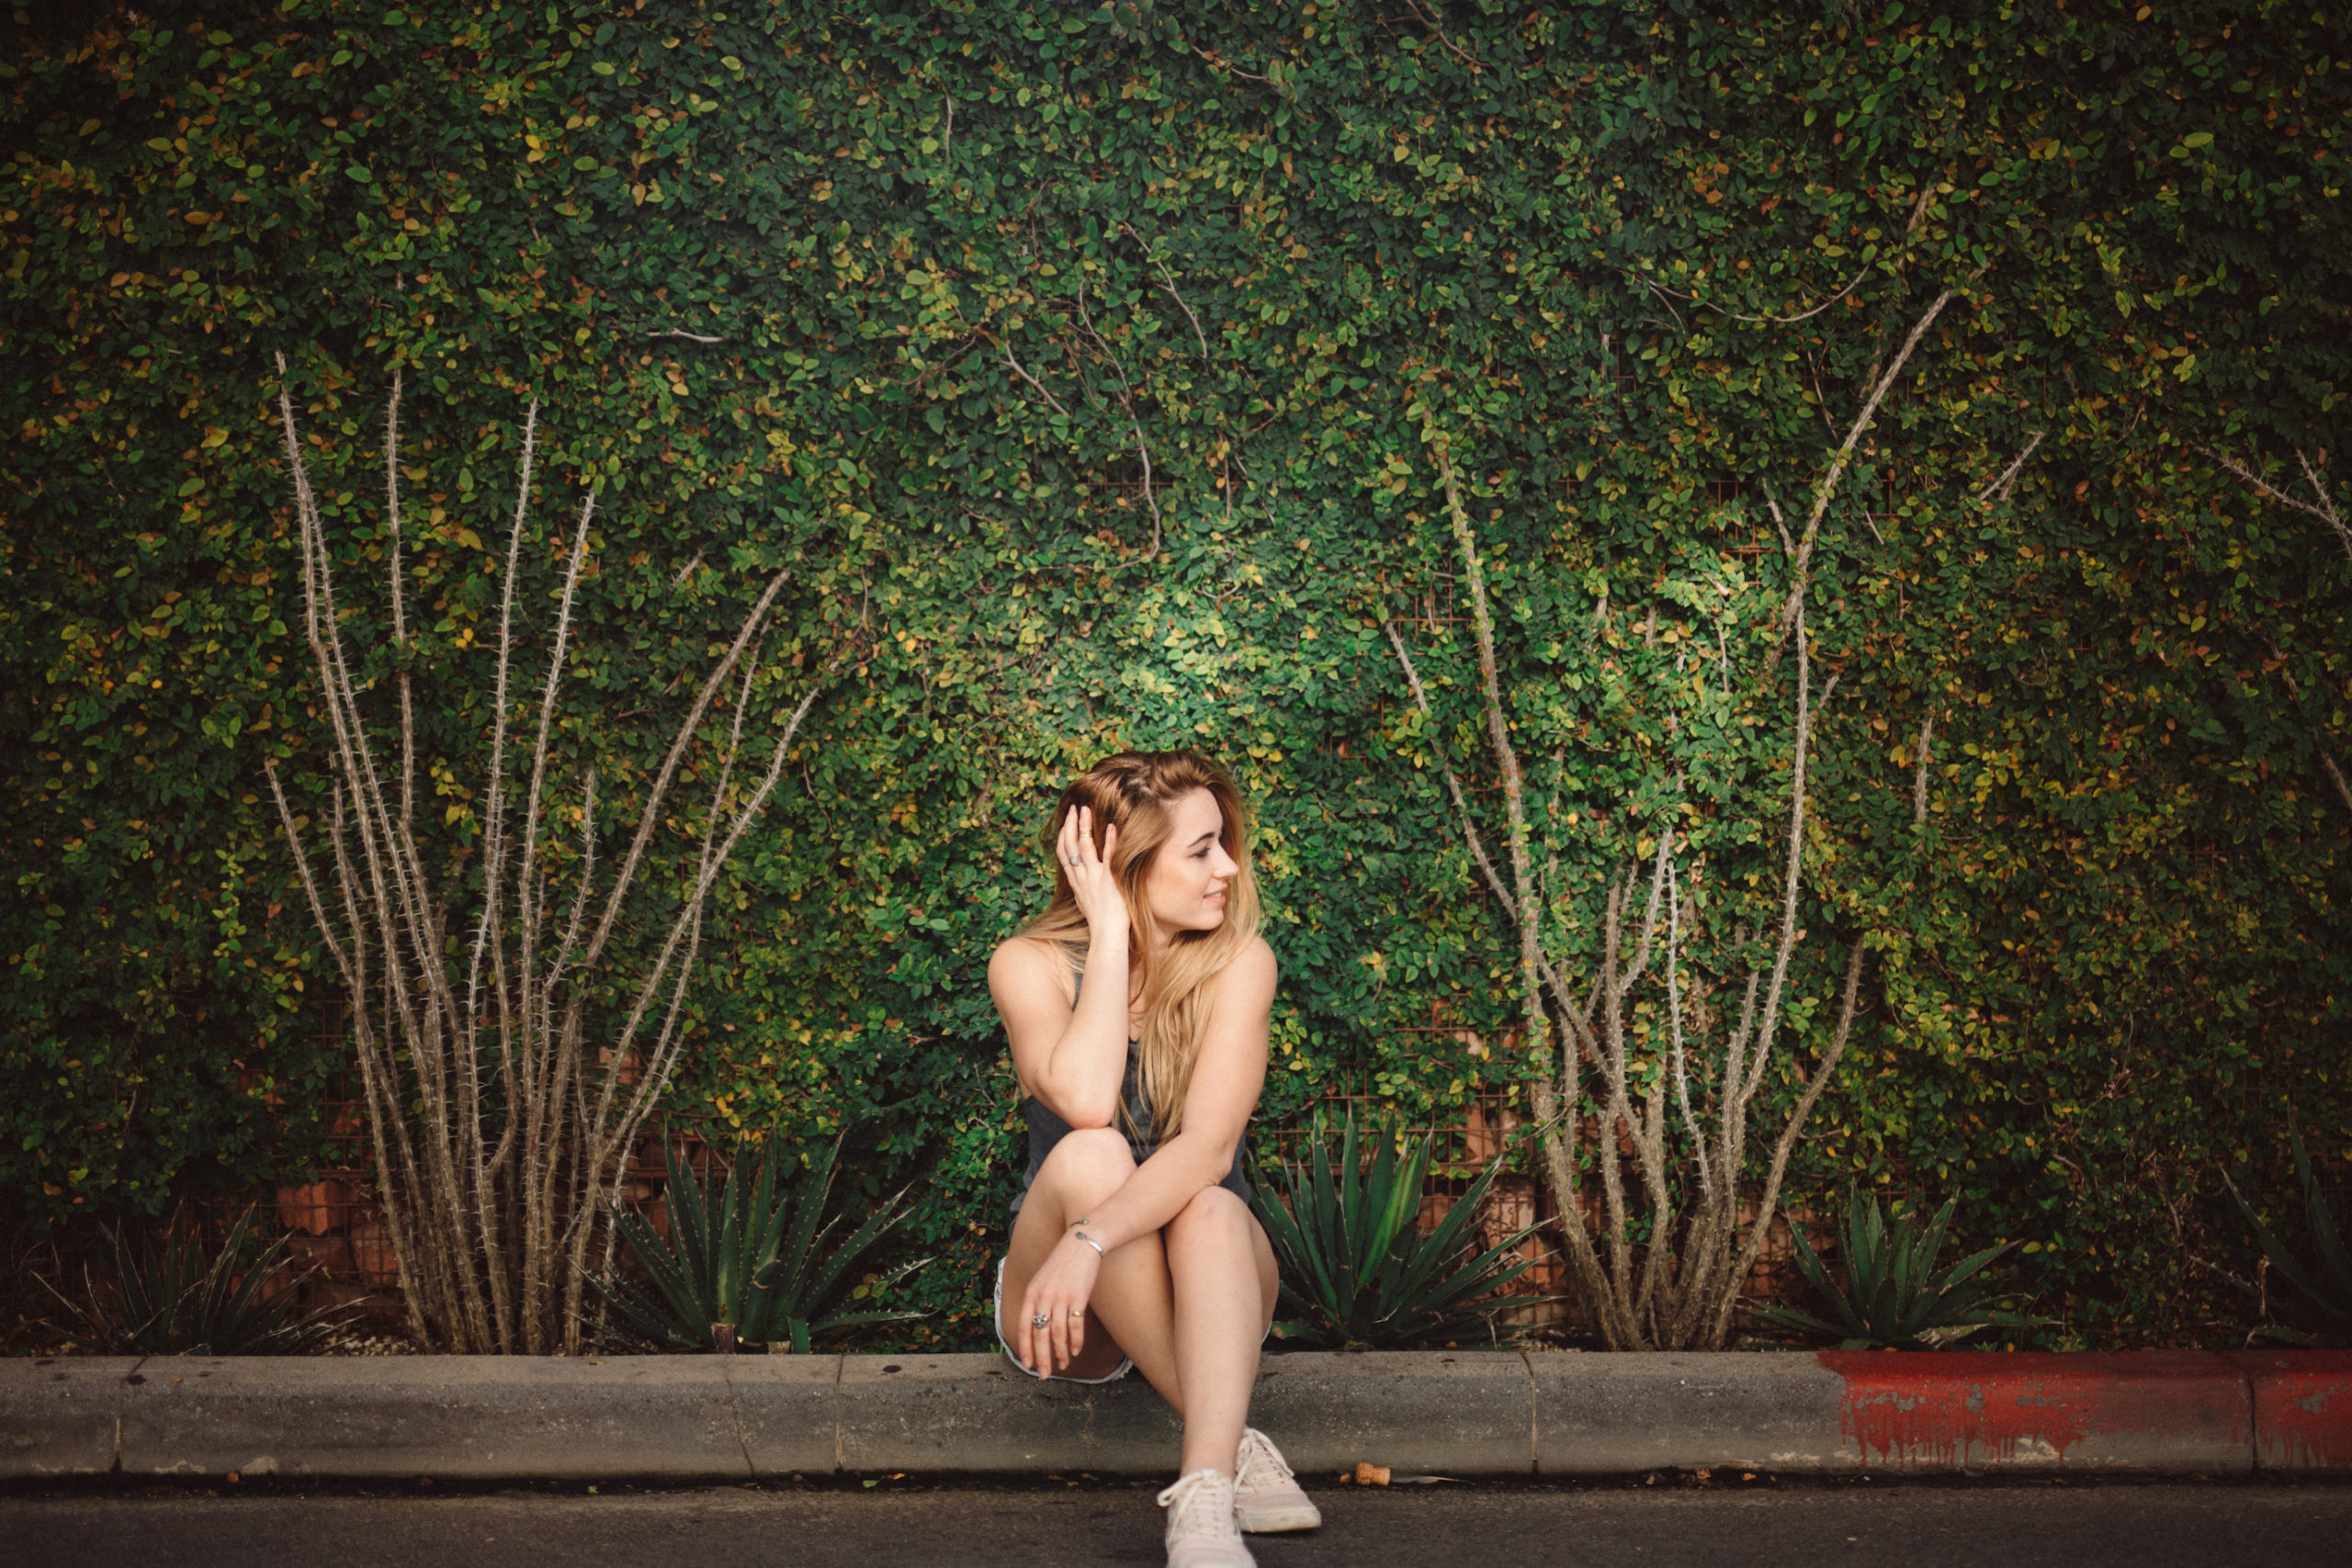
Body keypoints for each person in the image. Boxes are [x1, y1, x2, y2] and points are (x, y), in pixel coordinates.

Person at [988, 750, 1320, 1568]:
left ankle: (1204, 1497)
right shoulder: (1026, 964)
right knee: (1093, 1148)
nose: (1229, 868)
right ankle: (1237, 1438)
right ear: (1123, 867)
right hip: (1075, 1304)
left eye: (1223, 843)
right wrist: (1109, 931)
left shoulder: (1241, 963)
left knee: (1208, 1198)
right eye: (1201, 849)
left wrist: (1091, 1236)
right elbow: (1087, 1100)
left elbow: (1209, 1151)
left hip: (1206, 1271)